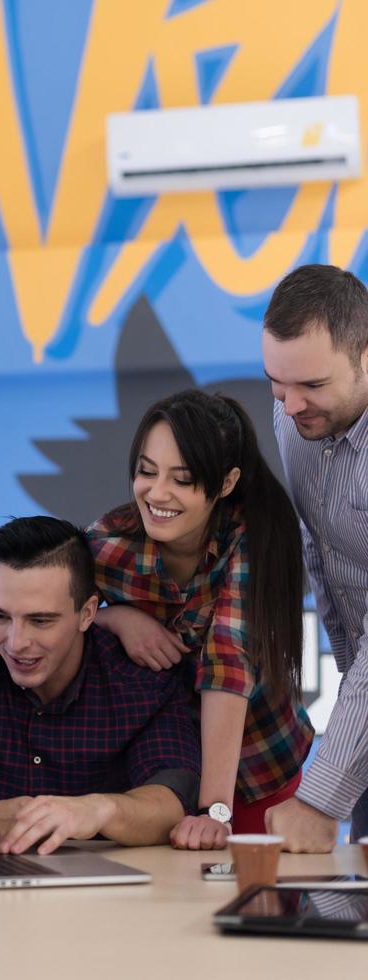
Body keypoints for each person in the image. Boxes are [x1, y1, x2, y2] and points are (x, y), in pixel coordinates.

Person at [86, 389, 314, 850]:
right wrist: (117, 619)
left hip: (257, 764)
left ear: (225, 483)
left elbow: (228, 662)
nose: (158, 493)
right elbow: (61, 616)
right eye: (147, 472)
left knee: (260, 908)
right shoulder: (106, 544)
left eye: (183, 479)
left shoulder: (252, 536)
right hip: (159, 773)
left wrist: (214, 810)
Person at [0, 516, 201, 857]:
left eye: (40, 620)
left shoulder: (141, 680)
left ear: (88, 613)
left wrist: (97, 809)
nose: (16, 643)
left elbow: (172, 799)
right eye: (0, 616)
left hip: (107, 899)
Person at [262, 264, 368, 852]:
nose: (292, 405)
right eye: (278, 384)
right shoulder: (296, 415)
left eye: (312, 386)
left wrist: (320, 797)